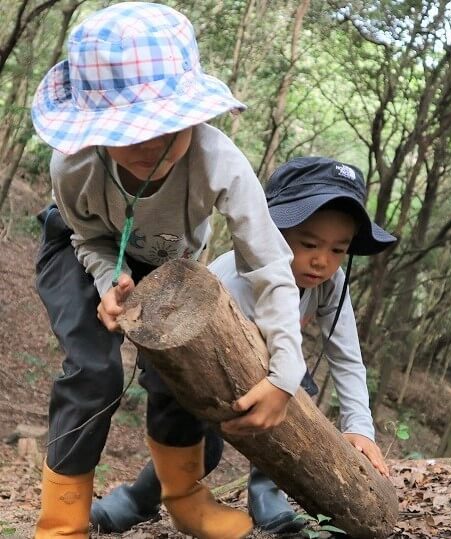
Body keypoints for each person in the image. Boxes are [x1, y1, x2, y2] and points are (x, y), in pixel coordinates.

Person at [30, 3, 308, 538]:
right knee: (96, 372)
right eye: (128, 132)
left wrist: (285, 373)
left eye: (165, 130)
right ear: (94, 126)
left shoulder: (219, 163)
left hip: (167, 263)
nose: (148, 147)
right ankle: (61, 523)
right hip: (79, 250)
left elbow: (269, 262)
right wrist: (107, 280)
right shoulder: (74, 166)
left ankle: (185, 498)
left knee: (180, 373)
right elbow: (86, 236)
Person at [90, 156, 397, 534]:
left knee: (292, 380)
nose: (322, 261)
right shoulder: (237, 274)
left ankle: (266, 489)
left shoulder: (331, 285)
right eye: (309, 243)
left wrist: (360, 428)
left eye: (338, 250)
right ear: (271, 231)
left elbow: (347, 356)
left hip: (272, 372)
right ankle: (139, 498)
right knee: (198, 449)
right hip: (196, 365)